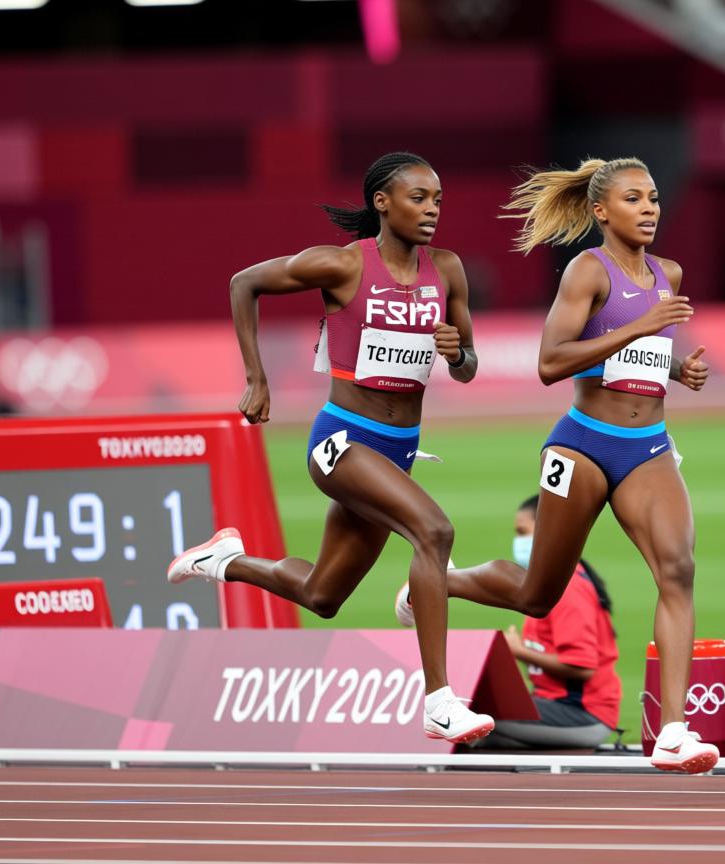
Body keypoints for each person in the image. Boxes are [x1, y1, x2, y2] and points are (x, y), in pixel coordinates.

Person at [398, 157, 718, 773]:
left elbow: (641, 356)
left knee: (678, 570)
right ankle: (436, 584)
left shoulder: (666, 273)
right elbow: (552, 362)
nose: (649, 208)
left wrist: (681, 370)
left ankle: (674, 732)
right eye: (633, 199)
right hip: (583, 444)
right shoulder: (587, 271)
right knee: (538, 595)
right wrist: (644, 326)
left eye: (653, 198)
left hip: (648, 446)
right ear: (602, 211)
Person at [167, 151, 494, 745]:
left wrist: (456, 353)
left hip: (397, 450)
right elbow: (245, 283)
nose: (431, 210)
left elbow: (469, 366)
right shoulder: (343, 266)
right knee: (434, 532)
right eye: (418, 198)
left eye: (438, 200)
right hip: (342, 442)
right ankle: (440, 702)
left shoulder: (447, 269)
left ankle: (224, 560)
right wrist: (256, 378)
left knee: (322, 595)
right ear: (382, 203)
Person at [478, 494, 621, 750]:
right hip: (556, 707)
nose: (518, 541)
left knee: (474, 713)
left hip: (581, 714)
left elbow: (582, 666)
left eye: (523, 532)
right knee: (479, 734)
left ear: (548, 529)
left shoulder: (568, 587)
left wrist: (519, 651)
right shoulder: (551, 582)